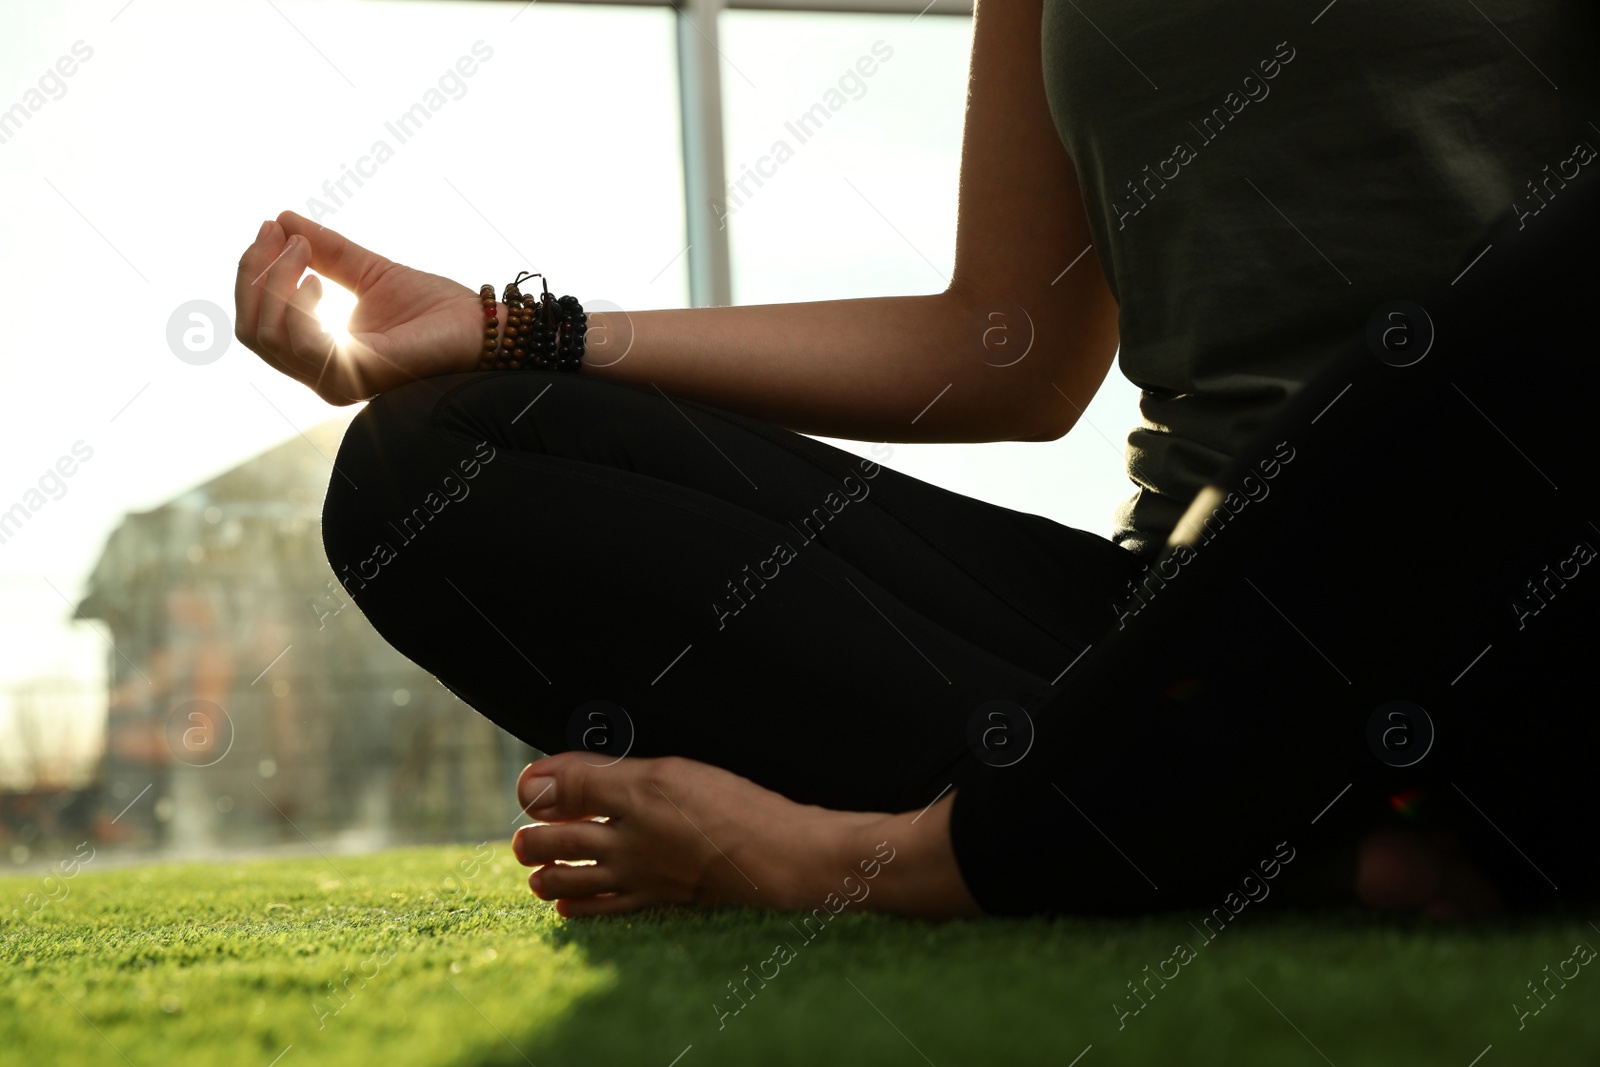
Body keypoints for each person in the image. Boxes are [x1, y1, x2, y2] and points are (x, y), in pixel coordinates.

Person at [234, 0, 1600, 921]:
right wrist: (511, 331)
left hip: (1496, 612)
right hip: (1170, 621)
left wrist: (828, 854)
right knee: (439, 461)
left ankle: (1022, 847)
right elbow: (1005, 347)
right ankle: (1324, 848)